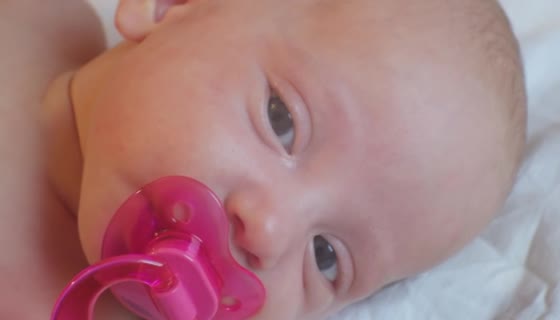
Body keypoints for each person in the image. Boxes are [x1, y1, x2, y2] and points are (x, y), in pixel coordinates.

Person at [1, 0, 526, 319]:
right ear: (172, 7)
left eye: (326, 258)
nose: (269, 232)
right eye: (282, 119)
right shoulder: (34, 20)